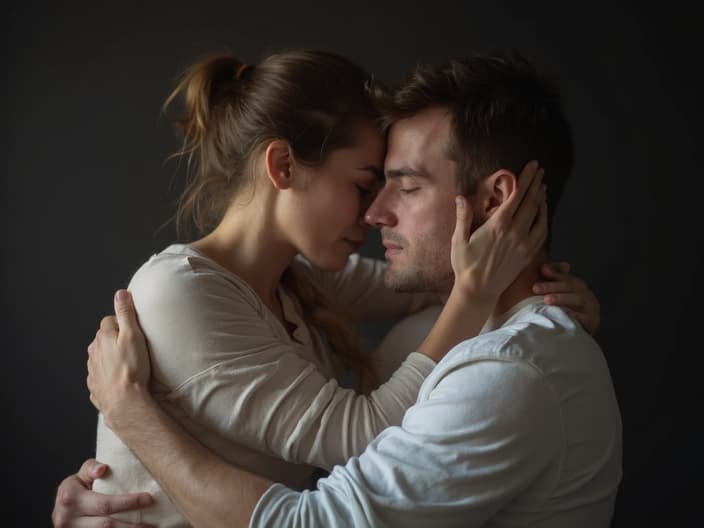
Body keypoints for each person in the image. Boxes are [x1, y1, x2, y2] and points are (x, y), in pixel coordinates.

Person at [52, 50, 609, 527]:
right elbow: (428, 298)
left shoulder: (300, 280)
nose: (375, 214)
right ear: (283, 167)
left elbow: (424, 288)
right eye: (366, 184)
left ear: (494, 200)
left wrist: (544, 290)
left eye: (404, 187)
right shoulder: (185, 291)